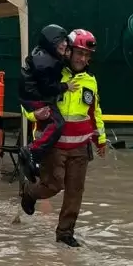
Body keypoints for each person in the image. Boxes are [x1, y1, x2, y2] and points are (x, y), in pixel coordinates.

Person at [20, 29, 106, 248]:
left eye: (87, 55)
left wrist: (101, 139)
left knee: (75, 191)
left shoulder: (91, 81)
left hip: (80, 148)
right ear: (68, 51)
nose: (83, 59)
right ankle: (30, 192)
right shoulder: (52, 72)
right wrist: (33, 115)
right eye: (79, 53)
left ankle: (65, 233)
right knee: (52, 185)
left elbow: (95, 112)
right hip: (54, 146)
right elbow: (29, 100)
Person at [17, 24, 75, 183]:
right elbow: (48, 87)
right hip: (36, 102)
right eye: (60, 41)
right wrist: (65, 87)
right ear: (51, 42)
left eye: (66, 41)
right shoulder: (48, 62)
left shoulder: (43, 55)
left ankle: (32, 160)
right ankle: (31, 151)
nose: (64, 44)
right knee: (57, 123)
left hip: (32, 99)